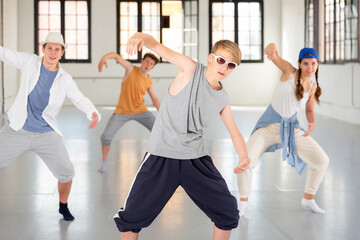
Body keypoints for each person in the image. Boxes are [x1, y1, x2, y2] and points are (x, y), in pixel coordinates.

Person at [113, 33, 250, 240]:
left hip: (194, 159)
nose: (224, 67)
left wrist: (244, 156)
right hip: (162, 155)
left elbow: (234, 131)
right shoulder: (190, 68)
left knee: (228, 212)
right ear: (211, 57)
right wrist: (142, 37)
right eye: (221, 60)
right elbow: (157, 46)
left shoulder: (222, 97)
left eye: (231, 65)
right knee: (131, 218)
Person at [0, 32, 100, 221]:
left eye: (57, 49)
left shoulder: (65, 78)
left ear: (62, 52)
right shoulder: (29, 62)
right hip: (18, 129)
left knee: (66, 172)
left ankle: (63, 206)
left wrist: (92, 112)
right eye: (49, 48)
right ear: (43, 49)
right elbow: (5, 54)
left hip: (46, 133)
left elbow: (79, 98)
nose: (53, 52)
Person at [237, 43, 329, 216]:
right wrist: (272, 46)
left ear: (317, 65)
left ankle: (308, 198)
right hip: (268, 128)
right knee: (245, 161)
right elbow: (276, 57)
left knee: (322, 161)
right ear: (300, 64)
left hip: (291, 129)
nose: (310, 67)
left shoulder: (313, 87)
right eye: (306, 63)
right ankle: (243, 202)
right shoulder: (289, 72)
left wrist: (312, 122)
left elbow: (309, 109)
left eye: (313, 64)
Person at [98, 52, 160, 172]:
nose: (148, 65)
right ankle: (104, 162)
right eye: (147, 61)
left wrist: (163, 114)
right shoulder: (130, 69)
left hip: (141, 111)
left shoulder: (148, 80)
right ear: (142, 61)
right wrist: (104, 57)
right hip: (122, 111)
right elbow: (116, 56)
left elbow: (155, 99)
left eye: (151, 64)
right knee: (106, 137)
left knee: (159, 132)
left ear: (152, 67)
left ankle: (159, 160)